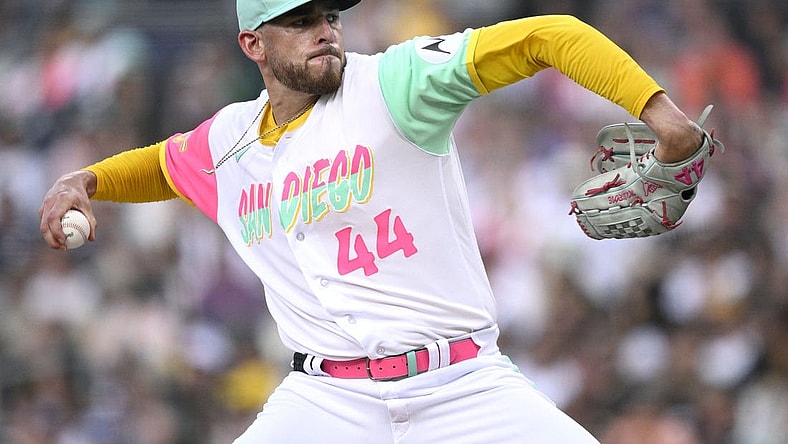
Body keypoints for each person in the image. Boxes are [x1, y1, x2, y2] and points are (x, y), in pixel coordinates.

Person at [39, 0, 707, 442]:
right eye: (299, 20)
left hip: (462, 386)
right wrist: (85, 180)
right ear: (253, 43)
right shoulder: (228, 141)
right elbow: (161, 164)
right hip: (326, 401)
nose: (324, 29)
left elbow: (547, 35)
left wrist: (661, 116)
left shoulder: (396, 82)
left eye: (328, 14)